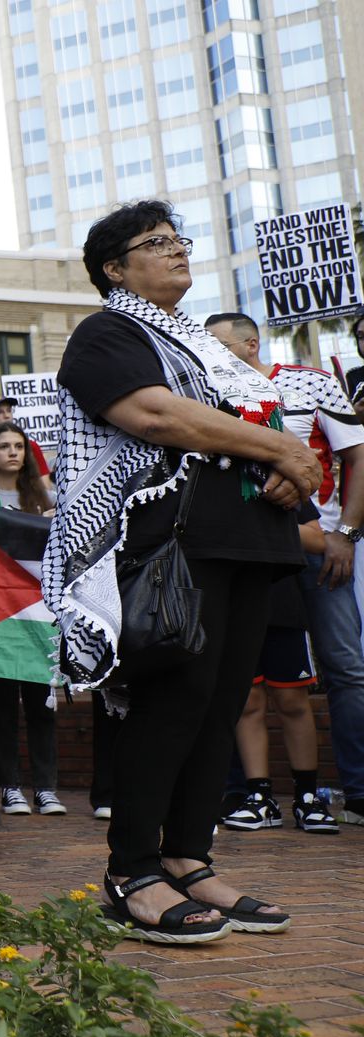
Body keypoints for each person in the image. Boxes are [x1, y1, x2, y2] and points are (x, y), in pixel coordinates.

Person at [43, 200, 318, 944]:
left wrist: (292, 466)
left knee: (220, 705)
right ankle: (132, 871)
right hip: (177, 545)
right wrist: (281, 453)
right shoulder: (107, 333)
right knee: (175, 702)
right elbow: (156, 417)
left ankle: (190, 859)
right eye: (155, 243)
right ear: (114, 267)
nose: (176, 251)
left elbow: (267, 431)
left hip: (247, 541)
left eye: (178, 240)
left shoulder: (209, 347)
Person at [206, 311, 364, 830]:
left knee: (344, 668)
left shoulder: (309, 382)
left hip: (319, 547)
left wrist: (345, 533)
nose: (210, 354)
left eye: (219, 345)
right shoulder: (206, 392)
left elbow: (357, 456)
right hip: (250, 557)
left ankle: (352, 792)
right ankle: (248, 794)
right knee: (242, 681)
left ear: (251, 344)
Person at [0, 422, 63, 816]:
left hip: (39, 614)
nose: (12, 453)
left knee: (42, 703)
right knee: (2, 703)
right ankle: (10, 787)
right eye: (3, 446)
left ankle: (47, 788)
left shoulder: (47, 497)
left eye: (19, 446)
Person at [220, 504, 336, 833]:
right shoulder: (214, 477)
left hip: (282, 601)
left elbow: (316, 538)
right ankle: (260, 797)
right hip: (233, 602)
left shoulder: (279, 476)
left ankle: (308, 797)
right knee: (249, 701)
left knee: (292, 702)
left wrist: (258, 526)